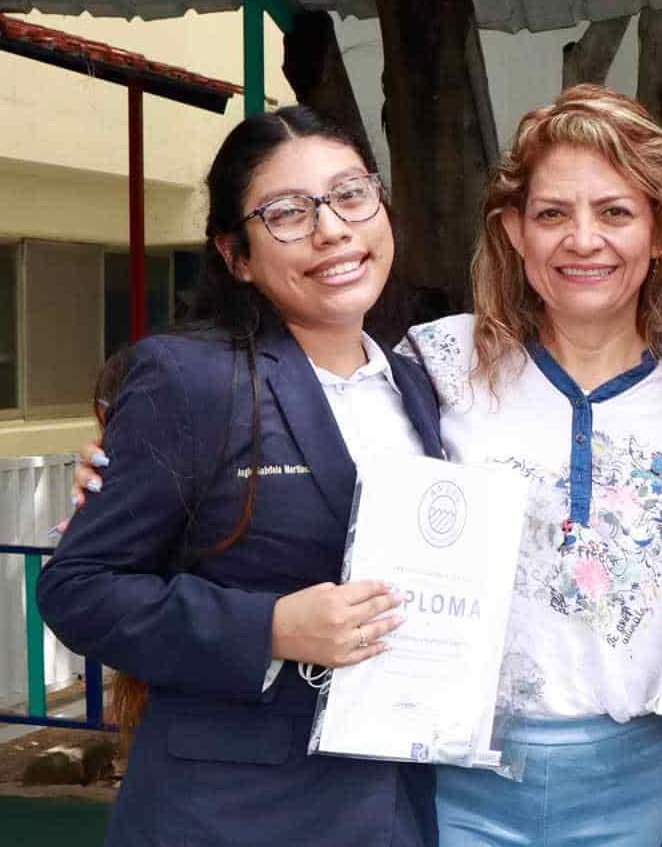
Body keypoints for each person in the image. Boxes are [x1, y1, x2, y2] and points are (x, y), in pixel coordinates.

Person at [37, 105, 442, 847]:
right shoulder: (190, 379)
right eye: (287, 213)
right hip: (230, 814)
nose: (332, 229)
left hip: (395, 808)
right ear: (237, 255)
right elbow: (79, 588)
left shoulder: (421, 386)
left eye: (351, 194)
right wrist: (270, 628)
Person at [403, 84, 662, 847]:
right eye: (552, 214)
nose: (583, 240)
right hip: (454, 781)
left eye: (615, 212)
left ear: (659, 231)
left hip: (638, 788)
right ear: (514, 232)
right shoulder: (439, 367)